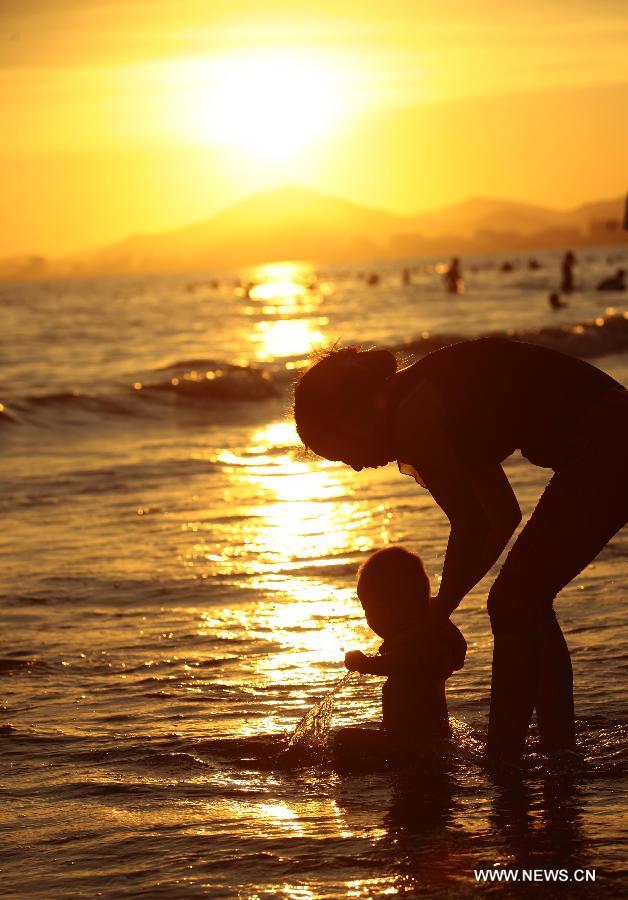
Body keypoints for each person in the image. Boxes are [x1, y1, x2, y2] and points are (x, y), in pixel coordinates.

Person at [294, 340, 628, 763]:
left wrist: (439, 612)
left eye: (342, 454)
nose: (357, 467)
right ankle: (555, 751)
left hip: (609, 439)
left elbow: (471, 526)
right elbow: (501, 517)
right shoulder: (426, 404)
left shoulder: (413, 416)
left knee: (511, 602)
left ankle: (503, 760)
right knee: (524, 602)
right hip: (608, 435)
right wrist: (442, 609)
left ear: (351, 419)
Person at [333, 546, 466, 766]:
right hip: (423, 743)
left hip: (413, 747)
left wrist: (365, 664)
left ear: (394, 607)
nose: (368, 618)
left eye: (368, 609)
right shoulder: (425, 637)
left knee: (343, 740)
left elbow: (406, 662)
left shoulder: (421, 644)